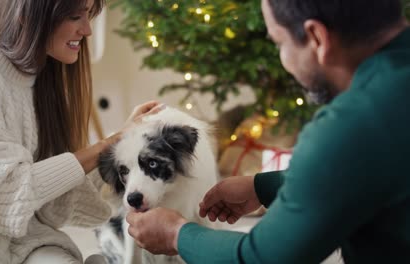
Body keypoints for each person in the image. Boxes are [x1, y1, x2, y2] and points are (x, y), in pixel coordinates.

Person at [126, 0, 410, 263]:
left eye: (279, 43)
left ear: (316, 38)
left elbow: (262, 258)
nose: (282, 60)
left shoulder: (350, 124)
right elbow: (374, 168)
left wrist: (177, 234)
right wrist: (262, 186)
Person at [0, 0, 163, 263]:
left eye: (89, 15)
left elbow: (54, 208)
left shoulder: (49, 82)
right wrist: (108, 143)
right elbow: (2, 199)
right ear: (27, 14)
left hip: (29, 244)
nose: (87, 30)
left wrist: (121, 144)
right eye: (73, 16)